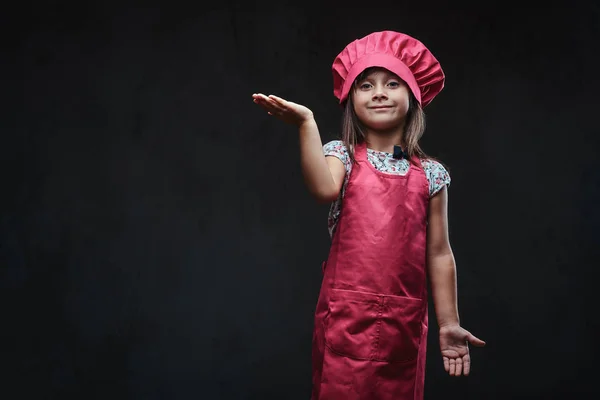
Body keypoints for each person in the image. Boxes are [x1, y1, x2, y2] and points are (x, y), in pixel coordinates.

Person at [252, 30, 485, 400]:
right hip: (345, 319)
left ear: (413, 96)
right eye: (365, 86)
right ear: (350, 100)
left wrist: (449, 322)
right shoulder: (341, 157)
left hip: (402, 325)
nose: (379, 92)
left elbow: (439, 252)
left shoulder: (431, 175)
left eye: (392, 83)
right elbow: (324, 189)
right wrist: (306, 124)